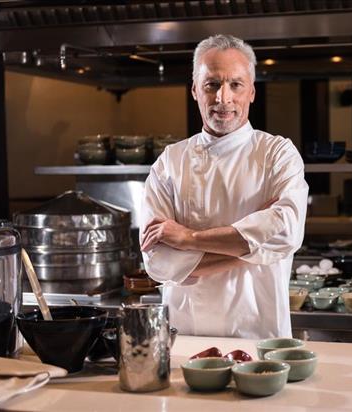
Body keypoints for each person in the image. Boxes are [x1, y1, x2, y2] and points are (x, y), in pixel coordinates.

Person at [139, 34, 308, 339]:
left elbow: (286, 232)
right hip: (186, 335)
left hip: (260, 336)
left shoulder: (277, 154)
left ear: (252, 92)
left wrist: (189, 239)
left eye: (235, 84)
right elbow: (159, 262)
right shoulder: (170, 161)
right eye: (212, 84)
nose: (223, 98)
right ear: (194, 90)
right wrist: (257, 245)